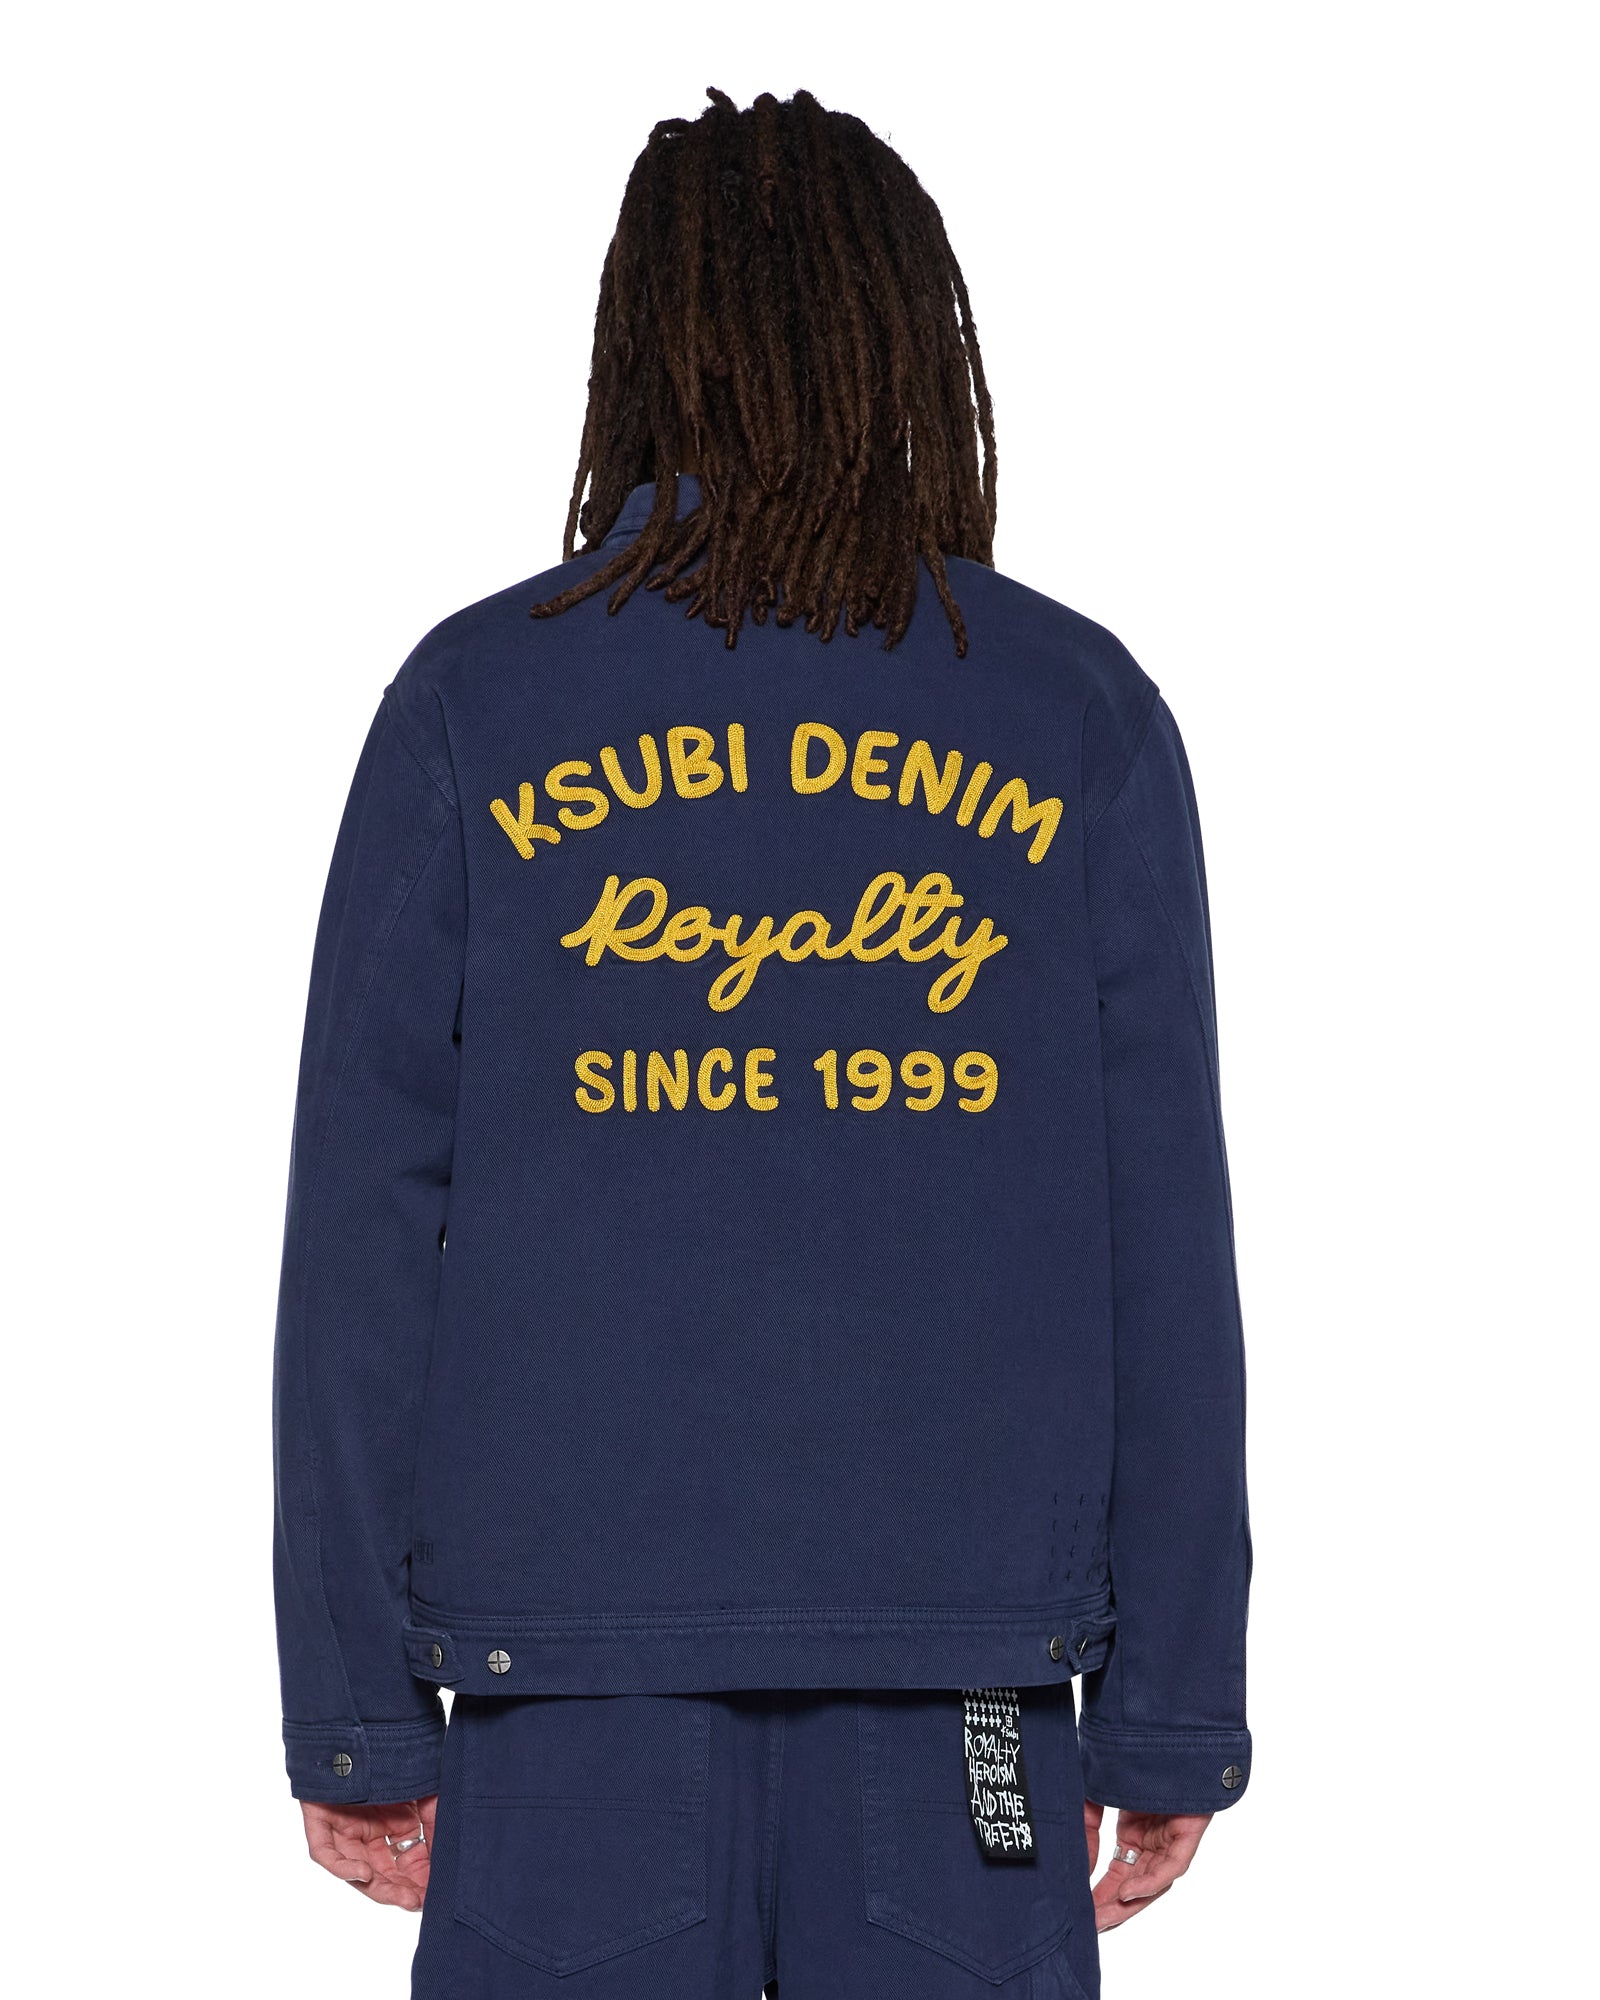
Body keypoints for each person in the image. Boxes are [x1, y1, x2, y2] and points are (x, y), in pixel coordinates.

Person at [273, 86, 1253, 2000]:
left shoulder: (479, 702)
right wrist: (1174, 1711)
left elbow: (360, 1242)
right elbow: (1166, 1246)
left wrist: (352, 1709)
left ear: (641, 343)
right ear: (911, 345)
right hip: (971, 1707)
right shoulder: (1070, 712)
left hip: (565, 1705)